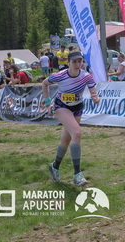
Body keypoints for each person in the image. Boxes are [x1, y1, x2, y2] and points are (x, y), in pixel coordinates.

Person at [42, 51, 100, 187]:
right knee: (77, 133)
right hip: (61, 107)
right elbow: (44, 84)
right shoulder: (60, 75)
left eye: (80, 61)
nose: (77, 64)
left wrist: (95, 98)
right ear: (68, 63)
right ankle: (77, 174)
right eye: (74, 62)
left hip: (77, 108)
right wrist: (48, 103)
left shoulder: (86, 76)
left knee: (66, 140)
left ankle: (55, 166)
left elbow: (93, 92)